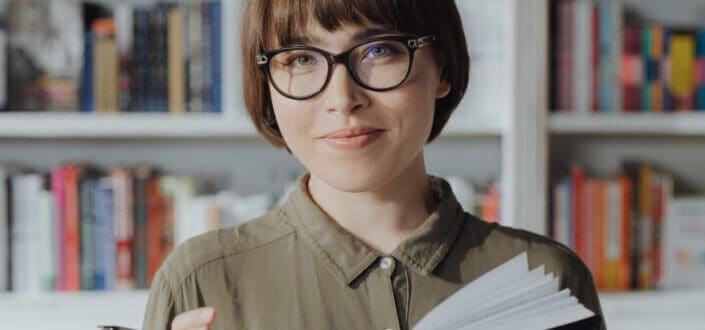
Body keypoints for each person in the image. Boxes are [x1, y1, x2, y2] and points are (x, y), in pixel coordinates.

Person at [143, 0, 605, 329]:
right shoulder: (198, 282)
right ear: (266, 83)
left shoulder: (548, 278)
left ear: (441, 68)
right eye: (301, 58)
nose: (342, 99)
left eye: (379, 50)